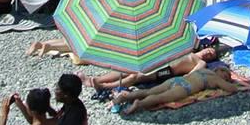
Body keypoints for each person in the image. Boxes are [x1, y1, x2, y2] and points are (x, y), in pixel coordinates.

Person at [110, 61, 243, 115]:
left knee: (149, 91)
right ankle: (139, 104)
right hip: (185, 88)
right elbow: (231, 88)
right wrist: (239, 85)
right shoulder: (215, 78)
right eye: (227, 75)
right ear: (220, 70)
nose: (227, 77)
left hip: (177, 80)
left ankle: (124, 97)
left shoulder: (204, 70)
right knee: (160, 98)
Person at [88, 45, 219, 90]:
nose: (208, 53)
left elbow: (190, 75)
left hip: (166, 71)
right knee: (130, 68)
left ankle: (106, 86)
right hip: (161, 60)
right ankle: (98, 80)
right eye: (209, 50)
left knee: (136, 76)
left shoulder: (201, 63)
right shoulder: (189, 48)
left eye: (211, 55)